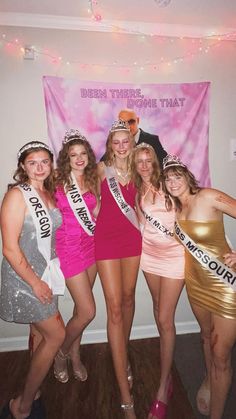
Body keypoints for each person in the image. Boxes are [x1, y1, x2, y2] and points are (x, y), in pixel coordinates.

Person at [163, 154, 236, 419]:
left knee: (221, 354)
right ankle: (209, 378)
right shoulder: (177, 210)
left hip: (226, 285)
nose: (172, 182)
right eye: (168, 178)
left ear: (187, 177)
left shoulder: (207, 196)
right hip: (195, 284)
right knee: (205, 336)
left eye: (177, 175)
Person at [0, 141, 65, 419]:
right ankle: (21, 406)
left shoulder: (47, 193)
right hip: (23, 280)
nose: (39, 168)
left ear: (51, 164)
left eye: (44, 162)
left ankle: (33, 389)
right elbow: (10, 249)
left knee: (38, 335)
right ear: (23, 167)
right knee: (57, 334)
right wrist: (35, 283)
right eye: (32, 163)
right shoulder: (17, 195)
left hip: (45, 273)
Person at [131, 144, 184, 419]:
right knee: (157, 308)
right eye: (138, 160)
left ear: (155, 161)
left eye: (147, 159)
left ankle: (164, 385)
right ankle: (167, 353)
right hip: (149, 256)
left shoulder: (171, 183)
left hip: (175, 256)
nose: (143, 164)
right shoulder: (137, 190)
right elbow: (141, 225)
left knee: (165, 318)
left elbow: (191, 212)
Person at [94, 120, 142, 419]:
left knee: (127, 298)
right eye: (117, 141)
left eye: (126, 141)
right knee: (113, 307)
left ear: (132, 142)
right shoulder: (100, 170)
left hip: (132, 238)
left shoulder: (139, 168)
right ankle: (126, 397)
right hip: (106, 239)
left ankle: (121, 354)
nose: (122, 146)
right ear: (110, 143)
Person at [53, 129, 99, 383]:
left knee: (81, 310)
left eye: (83, 153)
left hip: (91, 247)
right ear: (66, 158)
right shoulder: (57, 182)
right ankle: (61, 353)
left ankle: (76, 354)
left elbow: (98, 213)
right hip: (69, 249)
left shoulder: (93, 180)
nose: (79, 158)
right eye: (74, 155)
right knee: (88, 311)